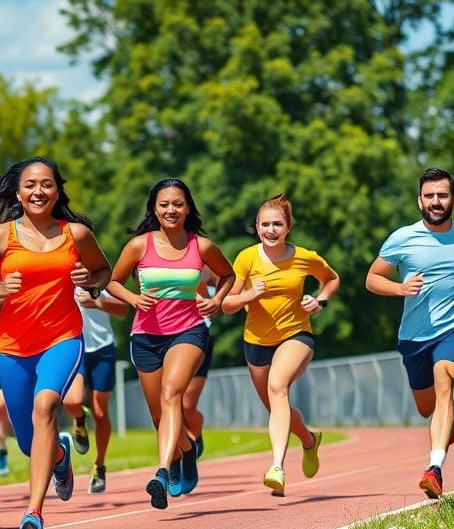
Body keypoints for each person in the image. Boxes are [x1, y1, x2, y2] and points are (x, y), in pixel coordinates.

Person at [0, 156, 111, 529]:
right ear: (18, 192)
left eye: (46, 184)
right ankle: (59, 456)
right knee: (29, 443)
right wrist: (0, 290)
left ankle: (34, 513)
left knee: (47, 407)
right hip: (11, 347)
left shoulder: (75, 234)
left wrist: (89, 280)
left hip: (62, 339)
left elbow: (103, 271)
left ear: (57, 190)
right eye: (30, 185)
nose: (38, 191)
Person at [365, 168, 454, 499]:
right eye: (430, 196)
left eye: (442, 195)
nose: (436, 201)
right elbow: (372, 278)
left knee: (444, 381)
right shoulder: (401, 238)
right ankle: (443, 430)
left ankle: (434, 468)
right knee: (427, 407)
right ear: (419, 200)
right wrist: (400, 288)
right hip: (414, 336)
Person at [108, 178, 234, 509]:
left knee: (171, 394)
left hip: (189, 331)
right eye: (164, 204)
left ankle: (162, 472)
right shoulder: (139, 246)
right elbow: (113, 282)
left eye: (178, 204)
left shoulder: (201, 246)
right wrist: (134, 299)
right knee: (159, 417)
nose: (171, 210)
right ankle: (186, 452)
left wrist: (216, 301)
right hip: (146, 337)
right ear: (154, 208)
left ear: (188, 207)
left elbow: (228, 275)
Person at [222, 193, 338, 497]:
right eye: (265, 224)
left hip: (296, 334)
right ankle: (309, 439)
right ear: (256, 227)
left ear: (288, 228)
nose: (270, 230)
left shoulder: (304, 257)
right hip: (256, 341)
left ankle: (276, 467)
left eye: (277, 224)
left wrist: (320, 300)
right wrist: (248, 296)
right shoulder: (246, 258)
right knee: (276, 404)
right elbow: (227, 305)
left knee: (278, 387)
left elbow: (332, 279)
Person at [63, 286, 127, 493]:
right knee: (72, 401)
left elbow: (124, 309)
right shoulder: (62, 277)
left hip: (103, 349)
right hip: (74, 346)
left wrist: (97, 302)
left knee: (100, 413)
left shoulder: (101, 280)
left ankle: (99, 466)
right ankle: (80, 419)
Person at [182, 267, 221, 460]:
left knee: (187, 404)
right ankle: (178, 451)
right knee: (170, 402)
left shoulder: (206, 267)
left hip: (199, 336)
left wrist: (214, 302)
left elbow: (227, 285)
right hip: (167, 336)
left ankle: (195, 437)